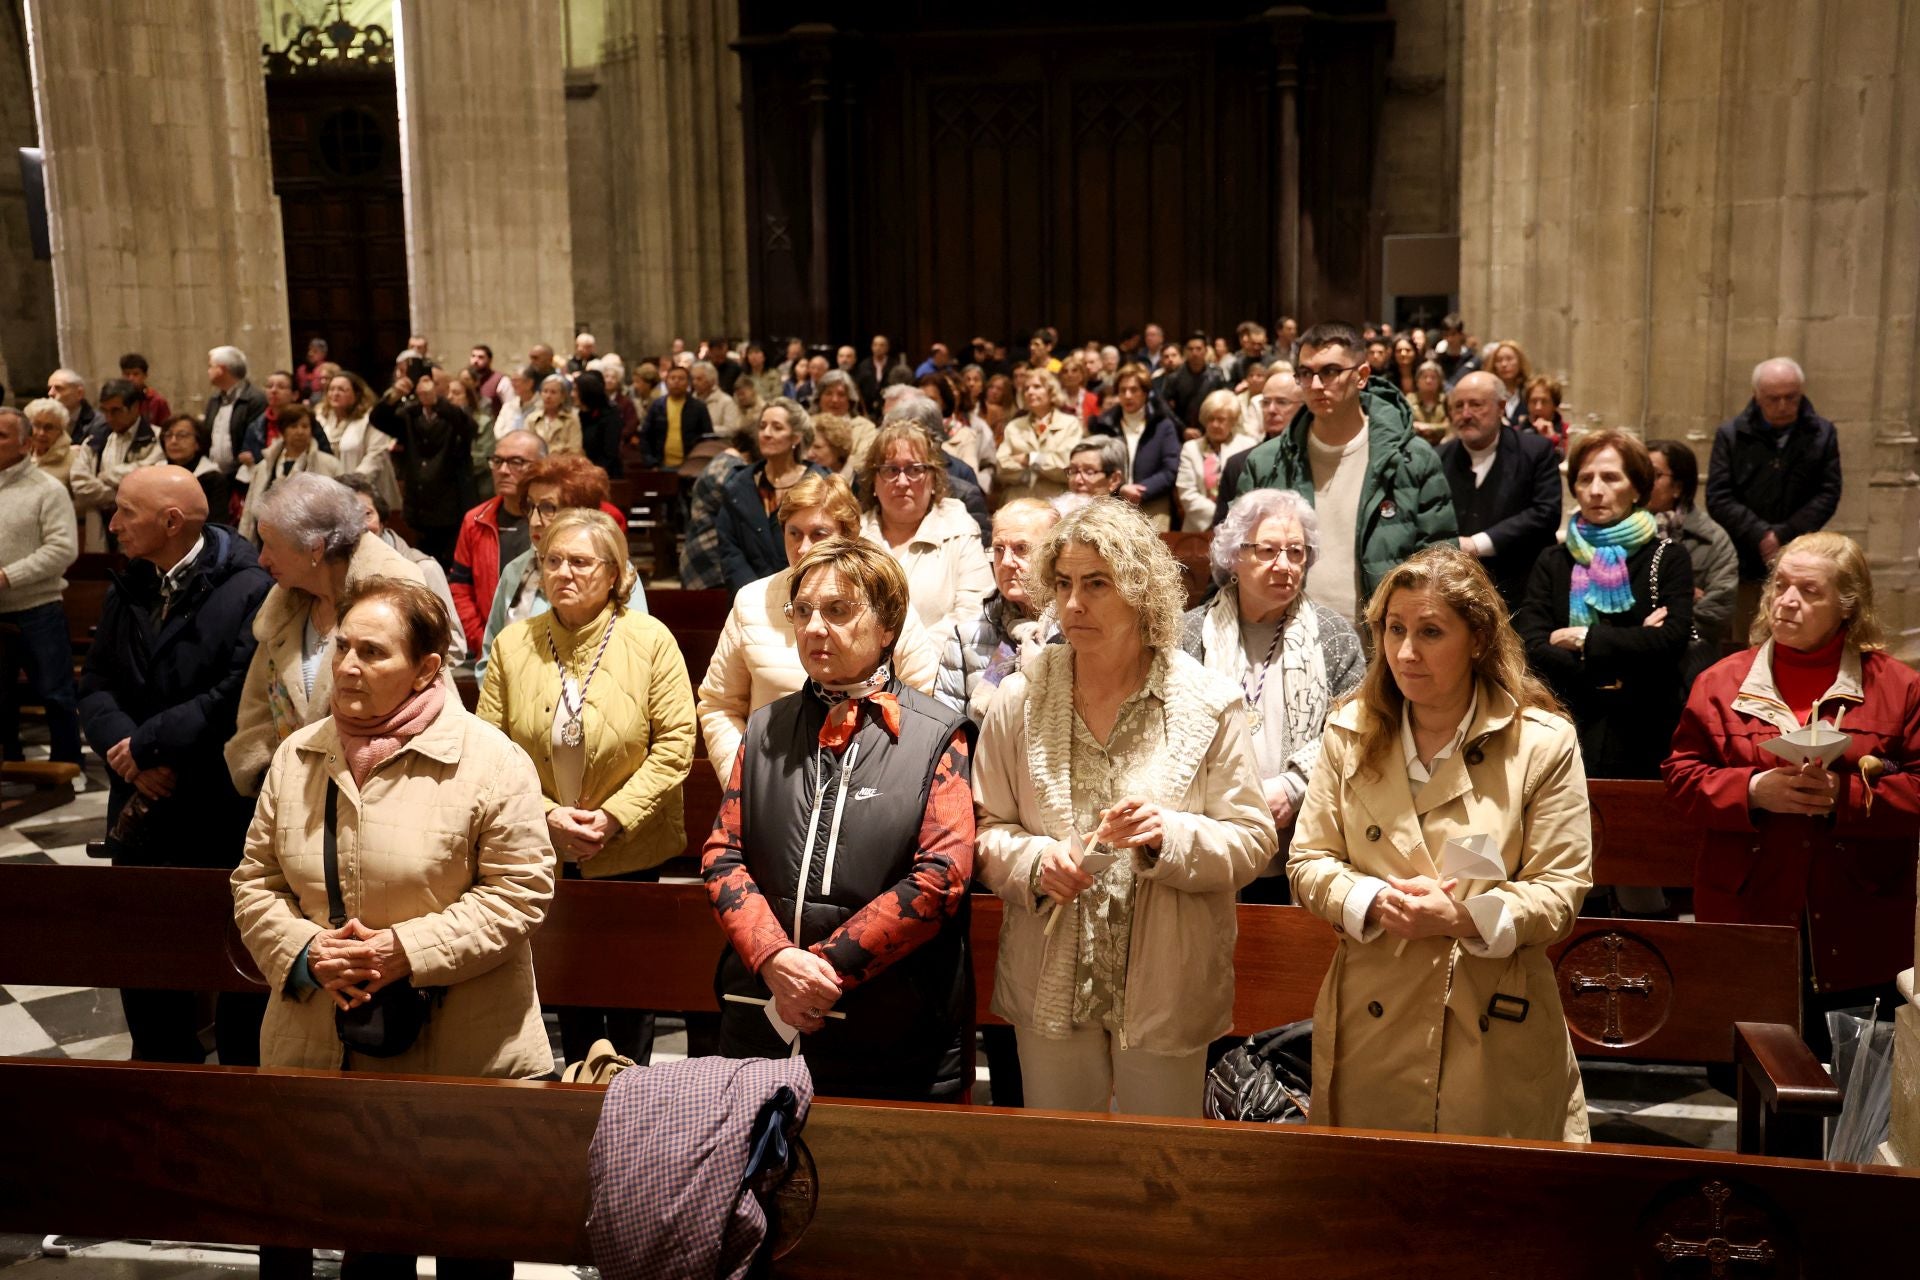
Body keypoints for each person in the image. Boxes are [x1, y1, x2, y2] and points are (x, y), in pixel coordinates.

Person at [232, 576, 552, 1280]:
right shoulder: (298, 755)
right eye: (342, 647)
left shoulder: (490, 761)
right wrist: (307, 951)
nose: (348, 666)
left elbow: (522, 891)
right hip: (322, 1039)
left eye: (373, 653)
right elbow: (255, 882)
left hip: (461, 1049)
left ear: (427, 669)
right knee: (367, 1247)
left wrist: (405, 950)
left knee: (469, 1246)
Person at [974, 499, 1276, 1116]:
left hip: (1168, 982)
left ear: (1140, 591)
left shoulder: (1206, 702)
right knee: (1060, 1155)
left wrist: (1170, 836)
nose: (1073, 604)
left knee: (1158, 1160)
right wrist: (1035, 863)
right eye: (1063, 584)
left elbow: (1252, 839)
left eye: (1096, 584)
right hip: (1052, 975)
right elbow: (984, 829)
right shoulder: (1019, 697)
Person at [1288, 544, 1592, 1140]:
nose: (1406, 652)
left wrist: (1462, 918)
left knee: (1485, 1190)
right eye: (1394, 629)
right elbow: (1308, 861)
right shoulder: (1348, 732)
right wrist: (1372, 900)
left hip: (1493, 1019)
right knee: (1373, 1187)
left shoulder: (1541, 743)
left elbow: (1560, 890)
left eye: (1430, 632)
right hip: (1372, 1018)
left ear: (1477, 638)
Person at [701, 538, 975, 1100]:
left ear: (888, 627)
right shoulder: (765, 727)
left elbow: (941, 877)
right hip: (763, 1013)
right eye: (802, 611)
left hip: (891, 1031)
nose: (814, 628)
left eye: (838, 610)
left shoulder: (936, 735)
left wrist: (821, 972)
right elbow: (723, 855)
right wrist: (775, 959)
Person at [1663, 531, 1920, 1041]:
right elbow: (1681, 778)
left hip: (1858, 920)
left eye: (1809, 591)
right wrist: (1752, 790)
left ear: (1847, 606)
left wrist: (1844, 798)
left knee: (1853, 1071)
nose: (1786, 601)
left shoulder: (1897, 687)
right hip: (1748, 911)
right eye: (1780, 586)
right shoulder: (1720, 682)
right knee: (1748, 1063)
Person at [480, 509, 693, 1067]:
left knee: (630, 994)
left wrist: (614, 815)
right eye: (552, 561)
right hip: (542, 849)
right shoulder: (512, 645)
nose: (563, 573)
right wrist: (548, 816)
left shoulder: (650, 639)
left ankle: (632, 1098)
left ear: (615, 573)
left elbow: (676, 744)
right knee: (566, 988)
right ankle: (574, 1094)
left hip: (632, 846)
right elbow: (490, 752)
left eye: (579, 562)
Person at [82, 466, 272, 1063]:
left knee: (234, 969)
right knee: (145, 967)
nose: (113, 524)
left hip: (213, 805)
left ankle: (239, 1095)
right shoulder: (132, 580)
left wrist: (148, 746)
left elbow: (235, 695)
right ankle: (161, 1085)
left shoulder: (249, 587)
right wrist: (128, 753)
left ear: (170, 522)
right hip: (139, 803)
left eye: (125, 512)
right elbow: (96, 683)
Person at [1182, 489, 1365, 901]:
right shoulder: (1188, 635)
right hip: (1209, 837)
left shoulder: (1334, 637)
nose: (1284, 565)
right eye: (1267, 551)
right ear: (1234, 556)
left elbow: (1355, 728)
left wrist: (1294, 785)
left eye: (1296, 552)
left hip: (1303, 842)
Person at [696, 473, 940, 781]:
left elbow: (925, 701)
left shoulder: (880, 600)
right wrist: (745, 780)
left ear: (848, 538)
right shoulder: (751, 601)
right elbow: (719, 704)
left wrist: (885, 782)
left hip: (866, 775)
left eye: (818, 534)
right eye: (794, 533)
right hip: (775, 774)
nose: (802, 548)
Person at [1233, 322, 1457, 626]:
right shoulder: (1267, 461)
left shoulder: (1413, 459)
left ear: (1362, 376)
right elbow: (1237, 556)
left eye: (1330, 371)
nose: (1315, 385)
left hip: (1383, 636)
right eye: (1305, 373)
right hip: (1286, 635)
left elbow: (1439, 560)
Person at [225, 473, 432, 797]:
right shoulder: (287, 607)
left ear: (315, 549)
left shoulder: (396, 601)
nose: (262, 559)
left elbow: (421, 710)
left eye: (271, 545)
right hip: (289, 795)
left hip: (378, 794)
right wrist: (269, 776)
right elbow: (257, 709)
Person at [1514, 428, 1692, 779]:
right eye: (1585, 479)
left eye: (1610, 478)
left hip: (1646, 731)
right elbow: (1532, 645)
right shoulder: (1554, 560)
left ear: (1637, 488)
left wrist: (1583, 639)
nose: (1596, 490)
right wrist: (1632, 646)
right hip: (1566, 724)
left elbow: (1670, 639)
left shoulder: (1667, 557)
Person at [474, 455, 644, 678]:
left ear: (580, 511)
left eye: (548, 508)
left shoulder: (613, 569)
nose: (534, 521)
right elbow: (490, 657)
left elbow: (636, 654)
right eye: (530, 506)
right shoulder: (515, 570)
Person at [1706, 357, 1843, 586]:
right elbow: (1718, 496)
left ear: (1801, 392)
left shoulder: (1822, 433)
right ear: (1757, 395)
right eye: (1773, 399)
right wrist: (1760, 534)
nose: (1782, 406)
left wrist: (1783, 534)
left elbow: (1828, 492)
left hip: (1800, 551)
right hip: (1744, 555)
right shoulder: (1731, 435)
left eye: (1791, 397)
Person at [0, 407, 83, 774]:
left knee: (55, 693)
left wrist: (7, 576)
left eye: (1, 436)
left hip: (37, 608)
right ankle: (9, 762)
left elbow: (63, 549)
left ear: (25, 444)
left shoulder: (47, 489)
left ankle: (68, 765)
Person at [1438, 371, 1564, 612]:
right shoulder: (1438, 457)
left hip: (1521, 591)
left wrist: (1477, 544)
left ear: (1501, 407)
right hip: (1454, 592)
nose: (1466, 414)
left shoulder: (1536, 452)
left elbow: (1546, 513)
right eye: (1458, 406)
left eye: (1476, 404)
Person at [859, 420, 993, 635]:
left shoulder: (960, 528)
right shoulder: (853, 535)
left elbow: (974, 612)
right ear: (874, 481)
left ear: (933, 478)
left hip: (942, 654)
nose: (902, 482)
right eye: (891, 470)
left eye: (915, 469)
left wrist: (914, 652)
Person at [936, 498, 1060, 723]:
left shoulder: (1076, 632)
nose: (1006, 562)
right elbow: (946, 729)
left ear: (1054, 555)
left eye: (1021, 548)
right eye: (998, 550)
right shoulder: (966, 637)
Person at [338, 473, 468, 669]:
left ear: (382, 519)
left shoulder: (422, 568)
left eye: (367, 514)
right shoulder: (336, 574)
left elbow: (454, 647)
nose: (360, 525)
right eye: (347, 517)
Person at [713, 398, 830, 596]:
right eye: (762, 426)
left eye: (777, 427)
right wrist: (753, 595)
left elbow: (831, 543)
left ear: (795, 438)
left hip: (808, 593)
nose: (766, 433)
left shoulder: (821, 482)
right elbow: (729, 549)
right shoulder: (738, 483)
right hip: (749, 596)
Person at [1646, 439, 1739, 686]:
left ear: (1678, 486)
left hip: (1691, 657)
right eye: (1637, 472)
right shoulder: (1619, 532)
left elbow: (1718, 609)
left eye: (1653, 475)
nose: (1642, 481)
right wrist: (1684, 597)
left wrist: (1669, 625)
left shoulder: (1712, 538)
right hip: (1631, 652)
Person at [448, 430, 548, 653]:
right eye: (497, 461)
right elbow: (460, 588)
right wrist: (484, 640)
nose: (503, 470)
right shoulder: (475, 520)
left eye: (516, 462)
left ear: (542, 467)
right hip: (491, 646)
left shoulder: (556, 521)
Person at [373, 366, 476, 565]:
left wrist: (436, 403)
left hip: (449, 510)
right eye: (422, 383)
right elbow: (378, 419)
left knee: (449, 566)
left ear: (445, 388)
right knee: (421, 565)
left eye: (434, 383)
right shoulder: (411, 414)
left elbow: (468, 427)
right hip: (418, 508)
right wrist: (395, 394)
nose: (426, 388)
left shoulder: (454, 414)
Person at [1093, 363, 1181, 530]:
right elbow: (1097, 466)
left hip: (1153, 504)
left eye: (1134, 390)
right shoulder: (1105, 425)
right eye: (1122, 390)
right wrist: (1120, 489)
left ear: (1145, 393)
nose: (1127, 395)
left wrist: (1141, 491)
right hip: (1112, 504)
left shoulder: (1162, 425)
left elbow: (1171, 469)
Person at [238, 404, 343, 544]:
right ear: (283, 431)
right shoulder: (264, 466)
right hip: (264, 541)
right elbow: (249, 512)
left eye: (305, 426)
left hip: (309, 542)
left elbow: (339, 509)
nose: (300, 431)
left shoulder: (330, 465)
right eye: (294, 426)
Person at [680, 420, 758, 591]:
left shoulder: (726, 461)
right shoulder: (731, 468)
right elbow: (749, 513)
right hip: (709, 560)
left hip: (707, 556)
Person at [996, 368, 1083, 505]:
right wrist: (1043, 468)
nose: (1030, 392)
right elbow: (1002, 467)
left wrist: (1030, 458)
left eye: (1037, 387)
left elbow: (1067, 467)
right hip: (1018, 503)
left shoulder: (1070, 424)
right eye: (1026, 388)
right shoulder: (1014, 426)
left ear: (1051, 391)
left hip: (1056, 503)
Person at [317, 370, 400, 512]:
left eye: (342, 390)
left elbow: (376, 455)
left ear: (357, 394)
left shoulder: (371, 419)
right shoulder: (321, 418)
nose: (335, 393)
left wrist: (351, 484)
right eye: (331, 389)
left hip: (365, 492)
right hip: (330, 495)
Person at [1175, 388, 1256, 532]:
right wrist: (1221, 517)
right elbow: (1187, 493)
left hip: (1240, 528)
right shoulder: (1190, 448)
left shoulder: (1248, 446)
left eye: (1221, 419)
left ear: (1233, 421)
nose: (1215, 424)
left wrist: (1234, 521)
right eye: (1210, 419)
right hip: (1199, 530)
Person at [204, 346, 267, 476]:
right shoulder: (214, 400)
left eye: (210, 366)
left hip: (242, 475)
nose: (208, 371)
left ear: (221, 369)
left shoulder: (255, 399)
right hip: (214, 473)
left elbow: (253, 443)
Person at [158, 414, 230, 525]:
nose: (173, 441)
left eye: (182, 435)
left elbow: (217, 524)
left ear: (198, 443)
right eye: (168, 435)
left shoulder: (213, 479)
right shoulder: (156, 473)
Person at [641, 362, 712, 468]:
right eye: (672, 378)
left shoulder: (698, 407)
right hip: (661, 465)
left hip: (691, 466)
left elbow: (707, 437)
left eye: (681, 378)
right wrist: (651, 462)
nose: (676, 381)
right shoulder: (657, 406)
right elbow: (646, 436)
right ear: (666, 382)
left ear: (688, 383)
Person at [1159, 332, 1227, 433]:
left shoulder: (1216, 374)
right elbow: (1163, 404)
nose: (1194, 353)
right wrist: (1183, 428)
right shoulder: (1174, 376)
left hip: (1211, 428)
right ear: (1185, 352)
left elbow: (1224, 402)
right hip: (1181, 430)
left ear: (1206, 351)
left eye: (1198, 349)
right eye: (1190, 349)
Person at [523, 374, 585, 456]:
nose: (548, 396)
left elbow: (575, 449)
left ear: (563, 397)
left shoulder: (571, 419)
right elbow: (526, 447)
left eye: (553, 392)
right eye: (545, 391)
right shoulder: (532, 419)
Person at [25, 399, 74, 492]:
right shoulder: (18, 453)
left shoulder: (74, 461)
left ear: (61, 431)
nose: (41, 433)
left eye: (49, 427)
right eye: (36, 425)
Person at [48, 368, 104, 445]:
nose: (50, 393)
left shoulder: (99, 423)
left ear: (79, 393)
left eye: (59, 388)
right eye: (49, 388)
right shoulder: (47, 421)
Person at [119, 353, 172, 427]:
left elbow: (167, 429)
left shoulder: (158, 402)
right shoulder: (117, 400)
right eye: (127, 374)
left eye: (136, 374)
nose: (131, 378)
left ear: (145, 375)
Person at [1522, 375, 1570, 454]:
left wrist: (1553, 440)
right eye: (1533, 401)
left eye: (1544, 401)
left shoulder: (1567, 432)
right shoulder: (1515, 433)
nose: (1538, 407)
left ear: (1555, 405)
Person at [1409, 360, 1450, 445]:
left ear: (1439, 381)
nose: (1428, 381)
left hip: (1442, 444)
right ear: (1417, 381)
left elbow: (1450, 425)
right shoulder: (1409, 399)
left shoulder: (1446, 400)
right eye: (1424, 377)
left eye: (1433, 377)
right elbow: (1405, 424)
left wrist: (1429, 427)